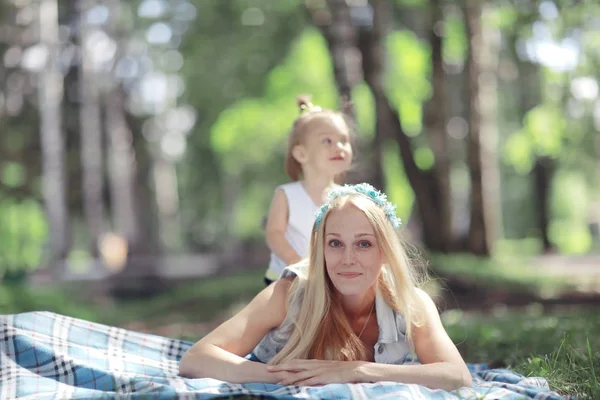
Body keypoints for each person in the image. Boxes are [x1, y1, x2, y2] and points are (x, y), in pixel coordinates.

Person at [180, 183, 472, 391]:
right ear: (321, 249)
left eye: (363, 244)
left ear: (384, 250)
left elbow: (457, 375)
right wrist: (286, 376)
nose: (347, 259)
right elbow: (196, 359)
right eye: (335, 243)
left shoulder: (410, 303)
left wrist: (355, 371)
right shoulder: (289, 294)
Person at [262, 95, 354, 286]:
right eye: (327, 141)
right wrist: (298, 264)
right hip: (288, 279)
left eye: (343, 140)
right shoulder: (287, 194)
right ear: (301, 153)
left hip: (329, 282)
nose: (339, 147)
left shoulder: (346, 197)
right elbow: (274, 233)